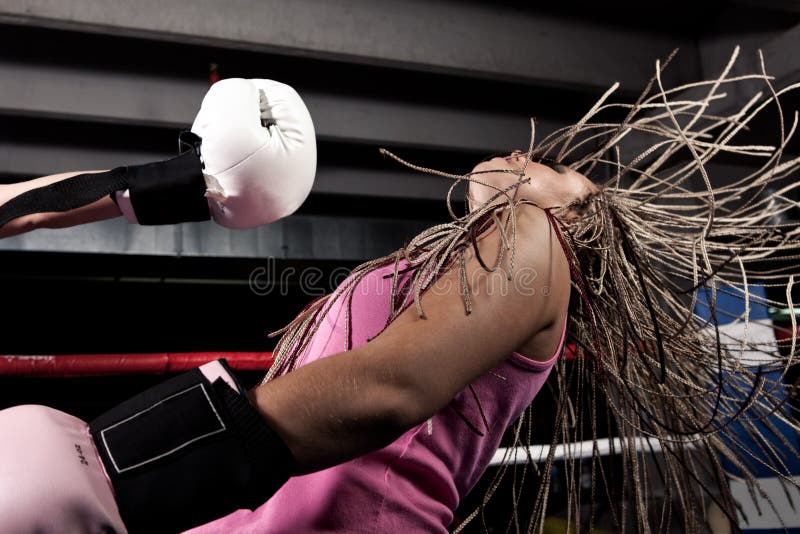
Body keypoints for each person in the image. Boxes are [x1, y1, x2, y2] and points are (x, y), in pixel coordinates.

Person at [1, 48, 799, 533]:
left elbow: (390, 387)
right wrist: (167, 182)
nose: (528, 158)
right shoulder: (438, 271)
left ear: (580, 218)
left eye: (557, 169)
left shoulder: (539, 247)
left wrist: (122, 470)